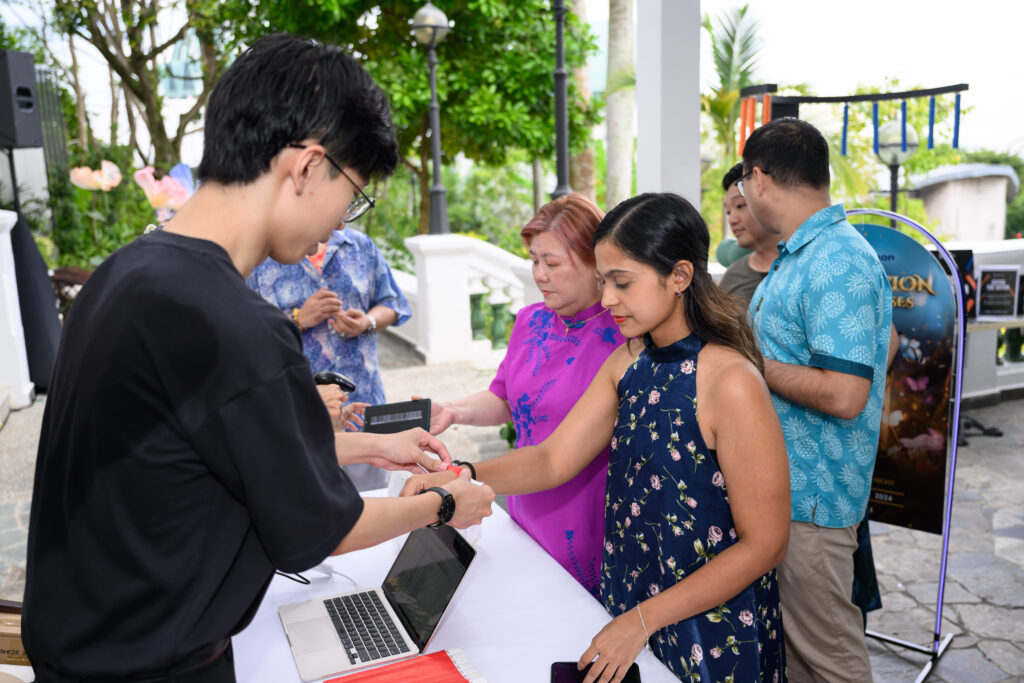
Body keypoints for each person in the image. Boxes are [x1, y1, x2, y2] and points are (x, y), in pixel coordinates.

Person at [22, 34, 494, 683]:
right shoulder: (235, 324)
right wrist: (442, 504)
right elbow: (320, 528)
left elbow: (211, 445)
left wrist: (368, 448)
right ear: (305, 167)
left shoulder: (125, 275)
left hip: (86, 644)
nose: (340, 223)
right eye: (352, 193)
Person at [406, 193, 790, 683]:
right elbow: (550, 460)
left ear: (680, 276)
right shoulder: (631, 360)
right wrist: (462, 474)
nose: (607, 299)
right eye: (605, 280)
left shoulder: (730, 380)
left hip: (709, 626)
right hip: (632, 606)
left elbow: (766, 544)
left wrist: (645, 618)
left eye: (622, 282)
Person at [739, 117, 893, 683]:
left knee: (830, 661)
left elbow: (846, 394)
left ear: (758, 179)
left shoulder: (836, 260)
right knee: (800, 659)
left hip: (814, 503)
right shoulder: (802, 254)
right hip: (786, 495)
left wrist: (752, 367)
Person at [423, 194, 624, 596]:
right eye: (534, 261)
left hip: (588, 521)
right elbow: (505, 399)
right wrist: (453, 411)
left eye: (552, 263)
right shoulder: (531, 321)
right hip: (522, 506)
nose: (540, 275)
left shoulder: (624, 337)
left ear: (596, 264)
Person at [247, 224, 411, 490]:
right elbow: (244, 334)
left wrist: (367, 321)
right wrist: (298, 318)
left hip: (362, 407)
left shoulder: (360, 245)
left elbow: (393, 304)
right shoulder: (262, 258)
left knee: (375, 504)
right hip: (298, 414)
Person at [718, 162, 777, 305]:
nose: (732, 220)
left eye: (740, 206)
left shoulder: (806, 265)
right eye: (728, 212)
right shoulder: (733, 277)